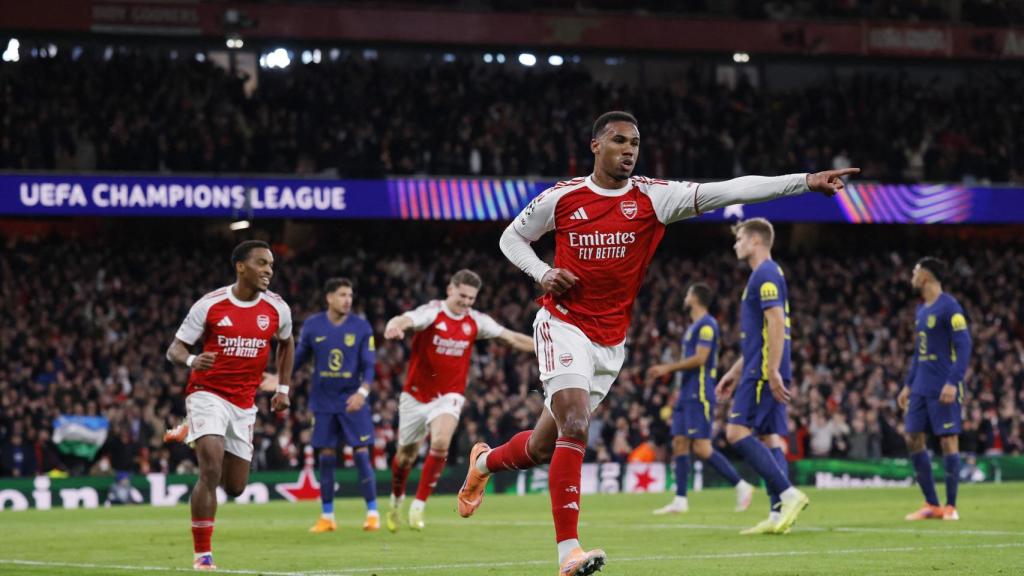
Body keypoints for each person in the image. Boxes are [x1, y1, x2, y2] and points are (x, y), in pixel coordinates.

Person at [457, 110, 857, 576]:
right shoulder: (563, 198)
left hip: (610, 344)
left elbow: (731, 188)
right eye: (620, 141)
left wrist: (805, 181)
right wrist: (542, 272)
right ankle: (569, 551)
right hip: (562, 324)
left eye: (636, 143)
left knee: (544, 447)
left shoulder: (655, 198)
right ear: (596, 146)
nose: (629, 150)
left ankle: (483, 463)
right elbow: (512, 238)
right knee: (576, 423)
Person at [165, 240, 293, 571]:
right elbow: (174, 350)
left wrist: (282, 387)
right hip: (207, 393)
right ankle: (203, 555)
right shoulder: (210, 305)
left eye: (271, 265)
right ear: (240, 266)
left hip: (243, 402)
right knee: (210, 468)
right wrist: (194, 359)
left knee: (235, 487)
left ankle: (189, 428)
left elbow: (287, 342)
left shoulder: (277, 308)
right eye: (262, 263)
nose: (268, 270)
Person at [382, 269, 534, 532]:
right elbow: (404, 319)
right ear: (450, 289)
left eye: (471, 298)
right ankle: (396, 502)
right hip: (415, 396)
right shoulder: (432, 312)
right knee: (405, 456)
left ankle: (419, 506)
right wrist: (394, 327)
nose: (466, 302)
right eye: (462, 295)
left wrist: (546, 345)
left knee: (441, 441)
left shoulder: (475, 321)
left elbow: (511, 338)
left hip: (449, 395)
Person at [716, 218, 808, 536]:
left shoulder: (765, 273)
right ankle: (776, 512)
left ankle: (788, 493)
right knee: (769, 437)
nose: (735, 244)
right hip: (760, 366)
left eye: (740, 238)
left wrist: (770, 371)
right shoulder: (768, 274)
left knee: (735, 432)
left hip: (763, 372)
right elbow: (760, 336)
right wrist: (733, 370)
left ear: (756, 241)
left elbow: (776, 323)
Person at [646, 282, 753, 515]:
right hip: (686, 393)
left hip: (700, 393)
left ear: (694, 298)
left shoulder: (707, 325)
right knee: (679, 443)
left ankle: (742, 485)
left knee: (702, 448)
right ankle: (680, 499)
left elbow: (701, 359)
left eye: (687, 293)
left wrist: (667, 368)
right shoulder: (693, 327)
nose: (685, 297)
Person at [294, 278, 379, 533]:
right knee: (327, 457)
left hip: (352, 400)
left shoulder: (361, 326)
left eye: (350, 295)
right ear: (329, 297)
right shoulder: (312, 325)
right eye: (342, 294)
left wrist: (363, 392)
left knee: (362, 453)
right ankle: (327, 516)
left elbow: (369, 365)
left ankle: (372, 513)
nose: (347, 300)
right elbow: (298, 359)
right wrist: (279, 378)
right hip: (322, 401)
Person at [899, 257, 971, 521]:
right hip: (920, 386)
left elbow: (964, 346)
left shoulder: (950, 307)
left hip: (943, 385)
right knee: (912, 437)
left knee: (948, 440)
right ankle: (932, 503)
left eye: (915, 271)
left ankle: (950, 506)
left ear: (926, 277)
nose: (912, 275)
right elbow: (919, 354)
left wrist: (953, 381)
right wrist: (908, 385)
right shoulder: (922, 310)